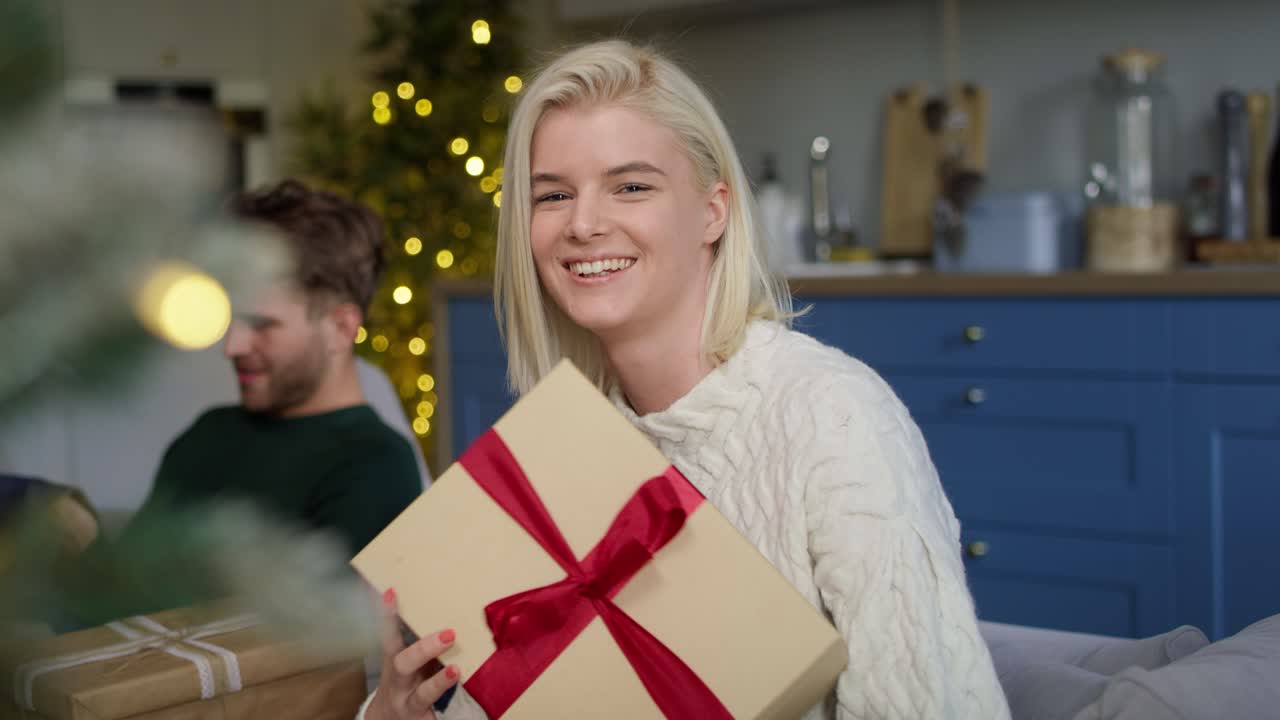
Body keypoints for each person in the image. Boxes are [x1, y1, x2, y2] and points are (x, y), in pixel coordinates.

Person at [361, 40, 1009, 720]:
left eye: (631, 186)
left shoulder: (833, 418)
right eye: (552, 195)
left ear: (713, 211)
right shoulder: (553, 458)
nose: (583, 224)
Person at [122, 179, 422, 562]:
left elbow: (324, 621)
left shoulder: (374, 465)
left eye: (262, 325)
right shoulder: (206, 434)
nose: (232, 346)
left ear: (341, 328)